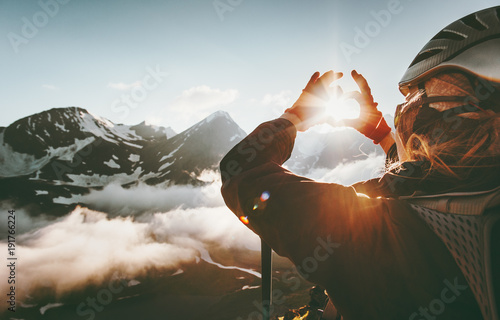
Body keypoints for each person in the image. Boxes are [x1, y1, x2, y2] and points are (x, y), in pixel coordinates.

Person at [220, 6, 499, 320]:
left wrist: (295, 118)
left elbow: (241, 171)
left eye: (420, 95)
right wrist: (383, 136)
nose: (406, 107)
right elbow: (428, 184)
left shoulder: (372, 235)